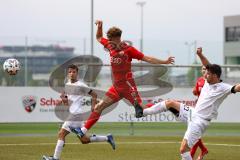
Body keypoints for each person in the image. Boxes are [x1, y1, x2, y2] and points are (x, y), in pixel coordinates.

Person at [70, 20, 175, 137]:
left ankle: (168, 105)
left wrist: (164, 61)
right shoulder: (110, 45)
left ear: (117, 38)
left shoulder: (129, 50)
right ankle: (83, 131)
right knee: (99, 107)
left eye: (110, 39)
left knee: (143, 110)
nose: (108, 41)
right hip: (116, 87)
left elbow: (148, 59)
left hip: (128, 86)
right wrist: (100, 26)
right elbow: (99, 37)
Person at [143, 47, 240, 160]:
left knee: (183, 150)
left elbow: (237, 87)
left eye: (208, 73)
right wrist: (200, 54)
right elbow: (207, 64)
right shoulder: (208, 81)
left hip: (200, 121)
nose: (205, 75)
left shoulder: (223, 88)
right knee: (170, 103)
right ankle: (143, 112)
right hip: (192, 113)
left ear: (215, 76)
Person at [42, 64, 115, 160]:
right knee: (84, 140)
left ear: (77, 74)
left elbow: (94, 94)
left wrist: (93, 106)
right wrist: (64, 100)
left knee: (61, 134)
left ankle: (55, 158)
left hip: (75, 115)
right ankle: (107, 138)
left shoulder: (81, 85)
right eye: (70, 72)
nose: (71, 74)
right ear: (68, 74)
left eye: (74, 72)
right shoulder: (67, 84)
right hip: (75, 115)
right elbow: (67, 103)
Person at [191, 65, 208, 160]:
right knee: (194, 132)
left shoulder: (210, 82)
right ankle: (203, 150)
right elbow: (196, 92)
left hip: (205, 110)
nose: (204, 70)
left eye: (206, 69)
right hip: (198, 108)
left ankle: (191, 155)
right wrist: (194, 91)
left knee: (194, 132)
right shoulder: (200, 80)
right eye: (203, 69)